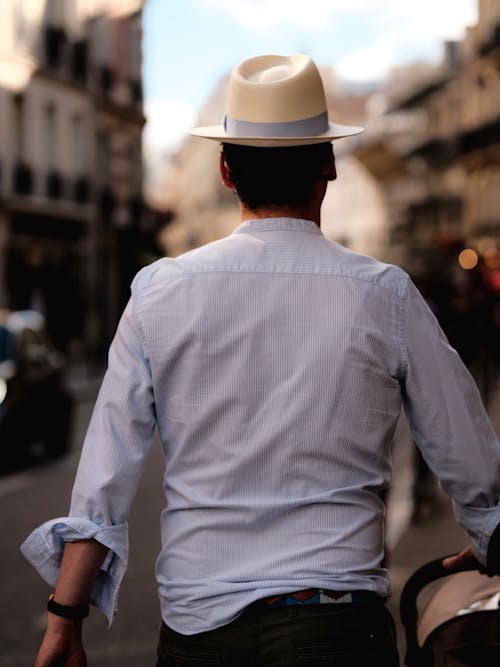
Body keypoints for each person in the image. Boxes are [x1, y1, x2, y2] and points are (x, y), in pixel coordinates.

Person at [22, 54, 500, 667]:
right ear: (329, 164)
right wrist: (487, 537)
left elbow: (103, 483)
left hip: (201, 635)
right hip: (338, 629)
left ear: (225, 171)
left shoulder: (160, 292)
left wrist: (64, 618)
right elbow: (471, 459)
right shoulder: (385, 294)